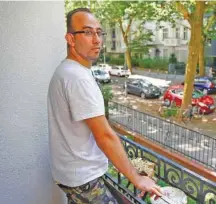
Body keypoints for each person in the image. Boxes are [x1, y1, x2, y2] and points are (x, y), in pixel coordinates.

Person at [47, 8, 162, 203]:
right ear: (70, 39)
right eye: (87, 32)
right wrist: (136, 178)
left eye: (99, 32)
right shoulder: (77, 77)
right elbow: (104, 135)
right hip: (84, 179)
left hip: (69, 173)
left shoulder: (65, 70)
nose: (97, 40)